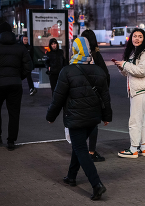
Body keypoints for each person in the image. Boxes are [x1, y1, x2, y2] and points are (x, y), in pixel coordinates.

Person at [46, 36, 112, 201]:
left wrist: (51, 116)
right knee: (79, 145)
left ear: (74, 50)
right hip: (93, 118)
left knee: (81, 150)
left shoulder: (67, 71)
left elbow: (58, 98)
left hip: (75, 118)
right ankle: (71, 176)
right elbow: (105, 97)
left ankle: (97, 184)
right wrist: (106, 116)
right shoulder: (98, 70)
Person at [0, 22, 33, 151]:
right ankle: (11, 141)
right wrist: (19, 76)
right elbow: (29, 66)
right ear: (11, 32)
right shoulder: (20, 48)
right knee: (14, 113)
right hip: (15, 84)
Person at [114, 28, 145, 158]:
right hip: (139, 90)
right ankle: (143, 147)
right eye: (134, 36)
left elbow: (141, 71)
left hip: (142, 90)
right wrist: (122, 67)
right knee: (141, 119)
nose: (136, 39)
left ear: (144, 39)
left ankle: (133, 149)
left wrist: (126, 64)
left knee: (134, 120)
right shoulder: (136, 53)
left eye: (140, 36)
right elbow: (131, 72)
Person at [81, 29, 110, 162]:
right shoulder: (96, 55)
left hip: (79, 95)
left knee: (81, 123)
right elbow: (105, 76)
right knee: (93, 124)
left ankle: (79, 150)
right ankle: (91, 152)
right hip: (94, 95)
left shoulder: (77, 56)